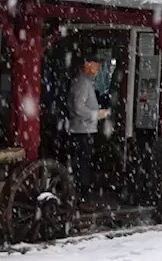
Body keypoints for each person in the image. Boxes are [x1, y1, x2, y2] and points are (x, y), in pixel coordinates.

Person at [68, 54, 108, 209]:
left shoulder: (83, 82)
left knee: (83, 164)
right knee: (83, 165)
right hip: (82, 131)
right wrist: (96, 114)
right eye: (95, 65)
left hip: (83, 129)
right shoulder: (82, 84)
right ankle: (81, 199)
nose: (97, 69)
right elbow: (78, 108)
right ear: (87, 64)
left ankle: (81, 197)